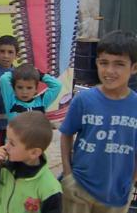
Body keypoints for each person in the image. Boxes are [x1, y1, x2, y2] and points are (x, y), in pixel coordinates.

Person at [59, 30, 137, 213]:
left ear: (134, 67)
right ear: (96, 63)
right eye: (104, 63)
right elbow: (66, 134)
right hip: (79, 188)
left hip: (117, 193)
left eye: (119, 64)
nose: (109, 71)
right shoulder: (83, 100)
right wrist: (68, 174)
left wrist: (131, 181)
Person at [0, 111, 62, 213]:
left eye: (12, 143)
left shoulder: (50, 188)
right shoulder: (4, 166)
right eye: (7, 140)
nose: (6, 146)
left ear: (34, 152)